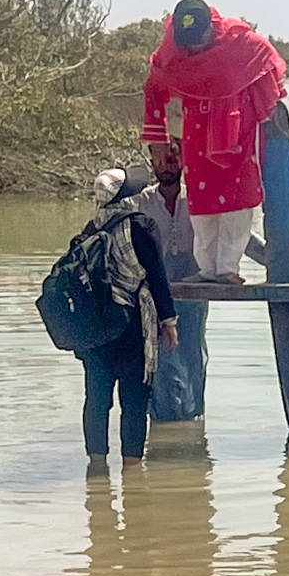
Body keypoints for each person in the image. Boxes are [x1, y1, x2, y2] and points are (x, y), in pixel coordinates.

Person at [139, 0, 288, 284]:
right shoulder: (173, 51)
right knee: (200, 198)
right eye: (188, 42)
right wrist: (159, 139)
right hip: (196, 133)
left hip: (239, 133)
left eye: (198, 39)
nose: (193, 48)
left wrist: (265, 109)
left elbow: (267, 66)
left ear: (211, 27)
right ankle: (207, 269)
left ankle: (228, 267)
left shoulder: (240, 43)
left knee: (239, 198)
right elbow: (154, 85)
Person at [76, 168, 179, 470]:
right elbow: (157, 277)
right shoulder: (142, 226)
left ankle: (96, 467)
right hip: (133, 325)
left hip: (95, 328)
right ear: (126, 197)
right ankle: (133, 470)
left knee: (96, 399)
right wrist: (168, 321)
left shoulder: (89, 230)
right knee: (134, 401)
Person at [128, 142, 208, 422]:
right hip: (154, 296)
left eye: (173, 157)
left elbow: (232, 236)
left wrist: (272, 259)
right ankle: (162, 422)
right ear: (151, 160)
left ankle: (193, 420)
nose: (166, 164)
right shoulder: (141, 202)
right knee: (158, 363)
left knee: (193, 358)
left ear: (185, 159)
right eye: (159, 158)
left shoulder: (200, 198)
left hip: (193, 292)